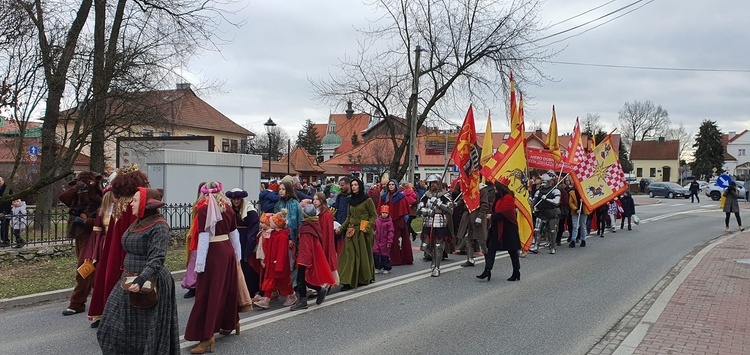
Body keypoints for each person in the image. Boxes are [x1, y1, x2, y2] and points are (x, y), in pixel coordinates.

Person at [96, 188, 179, 355]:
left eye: (135, 200)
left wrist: (141, 280)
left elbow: (157, 259)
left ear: (145, 204)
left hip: (148, 282)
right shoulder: (139, 221)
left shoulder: (159, 226)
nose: (131, 203)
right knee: (109, 326)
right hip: (128, 278)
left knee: (144, 332)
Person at [184, 181, 242, 354]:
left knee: (208, 294)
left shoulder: (203, 209)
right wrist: (237, 257)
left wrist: (199, 264)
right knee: (228, 289)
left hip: (213, 254)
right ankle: (232, 321)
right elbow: (234, 234)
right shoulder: (229, 208)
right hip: (228, 251)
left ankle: (207, 335)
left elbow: (203, 238)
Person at [88, 167, 148, 327]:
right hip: (130, 249)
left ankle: (105, 312)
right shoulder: (133, 203)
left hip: (114, 246)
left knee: (110, 274)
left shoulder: (121, 201)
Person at [59, 172, 103, 316]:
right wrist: (78, 187)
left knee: (85, 268)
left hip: (92, 235)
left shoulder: (98, 197)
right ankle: (99, 301)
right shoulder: (77, 196)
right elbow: (63, 197)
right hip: (80, 234)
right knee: (90, 269)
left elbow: (102, 220)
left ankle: (77, 303)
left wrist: (86, 221)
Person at [291, 204, 335, 310]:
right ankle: (320, 290)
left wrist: (303, 260)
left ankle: (303, 300)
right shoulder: (314, 224)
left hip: (305, 257)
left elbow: (306, 246)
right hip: (309, 256)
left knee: (300, 279)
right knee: (305, 279)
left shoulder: (306, 228)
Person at [478, 177, 521, 282]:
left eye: (496, 187)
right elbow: (494, 209)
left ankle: (516, 272)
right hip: (497, 227)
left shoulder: (508, 197)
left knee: (512, 251)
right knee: (491, 249)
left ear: (501, 188)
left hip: (508, 228)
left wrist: (492, 217)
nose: (495, 189)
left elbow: (504, 213)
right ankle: (487, 270)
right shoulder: (498, 197)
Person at [337, 178, 377, 289]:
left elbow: (373, 215)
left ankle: (362, 278)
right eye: (352, 185)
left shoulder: (367, 200)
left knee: (362, 257)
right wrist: (341, 228)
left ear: (360, 186)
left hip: (363, 232)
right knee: (349, 256)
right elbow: (349, 217)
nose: (354, 187)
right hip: (351, 231)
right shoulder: (350, 201)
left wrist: (368, 227)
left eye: (356, 185)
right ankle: (347, 280)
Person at [253, 210, 295, 309]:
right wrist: (266, 259)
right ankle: (267, 299)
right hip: (272, 263)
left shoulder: (281, 236)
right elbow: (269, 249)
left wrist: (279, 265)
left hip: (278, 263)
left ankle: (289, 295)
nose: (269, 223)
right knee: (273, 280)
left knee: (280, 281)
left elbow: (282, 253)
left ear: (276, 224)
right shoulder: (273, 234)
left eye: (271, 222)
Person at [226, 188, 260, 308]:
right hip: (233, 239)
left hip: (246, 240)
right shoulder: (228, 210)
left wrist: (249, 246)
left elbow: (253, 229)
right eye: (234, 199)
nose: (236, 201)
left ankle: (249, 292)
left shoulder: (250, 211)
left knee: (247, 267)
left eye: (238, 199)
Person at [418, 174, 454, 277]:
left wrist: (439, 203)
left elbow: (450, 210)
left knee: (438, 246)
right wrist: (428, 211)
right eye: (431, 183)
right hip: (428, 222)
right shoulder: (426, 195)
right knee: (425, 246)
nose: (433, 185)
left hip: (440, 222)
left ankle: (437, 267)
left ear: (439, 184)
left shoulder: (444, 195)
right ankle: (434, 258)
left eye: (435, 183)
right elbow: (419, 209)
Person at [379, 179, 413, 266]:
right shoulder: (384, 196)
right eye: (389, 184)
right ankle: (387, 258)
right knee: (385, 240)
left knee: (396, 241)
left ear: (396, 186)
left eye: (392, 184)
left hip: (397, 222)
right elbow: (380, 209)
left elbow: (404, 210)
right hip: (386, 221)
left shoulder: (400, 197)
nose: (391, 186)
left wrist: (402, 220)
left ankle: (398, 259)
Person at [183, 182, 207, 299]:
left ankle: (201, 286)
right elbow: (194, 220)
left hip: (206, 234)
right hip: (196, 234)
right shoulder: (196, 204)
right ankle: (192, 286)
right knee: (193, 259)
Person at [531, 173, 561, 254]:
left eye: (545, 181)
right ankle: (536, 247)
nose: (543, 183)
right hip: (541, 212)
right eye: (543, 181)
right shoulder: (538, 191)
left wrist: (546, 199)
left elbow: (556, 202)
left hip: (551, 212)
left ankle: (553, 247)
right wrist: (531, 202)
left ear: (550, 182)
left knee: (552, 231)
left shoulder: (555, 190)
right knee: (537, 230)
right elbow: (534, 202)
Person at [313, 192, 338, 285]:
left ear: (322, 200)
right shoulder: (315, 212)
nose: (315, 201)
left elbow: (326, 231)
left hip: (324, 240)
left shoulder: (326, 214)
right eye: (314, 199)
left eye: (317, 199)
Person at [331, 177, 351, 255]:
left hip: (350, 225)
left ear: (348, 185)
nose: (340, 187)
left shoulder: (353, 197)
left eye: (342, 185)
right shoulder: (339, 196)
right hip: (340, 224)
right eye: (340, 185)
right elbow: (336, 208)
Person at [374, 205, 394, 274]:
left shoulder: (389, 222)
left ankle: (387, 267)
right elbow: (374, 227)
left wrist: (389, 241)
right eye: (383, 213)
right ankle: (377, 266)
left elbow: (391, 232)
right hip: (377, 240)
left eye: (386, 213)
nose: (384, 214)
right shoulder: (377, 221)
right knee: (375, 253)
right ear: (380, 213)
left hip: (385, 241)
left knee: (384, 255)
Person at [556, 179, 572, 246]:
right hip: (554, 209)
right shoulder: (552, 189)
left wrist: (560, 202)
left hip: (562, 209)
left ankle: (558, 239)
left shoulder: (562, 189)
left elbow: (565, 200)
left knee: (561, 224)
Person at [0, 177, 13, 247]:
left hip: (5, 210)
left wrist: (4, 212)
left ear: (3, 181)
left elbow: (9, 201)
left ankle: (5, 240)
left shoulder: (7, 189)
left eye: (0, 181)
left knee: (4, 226)